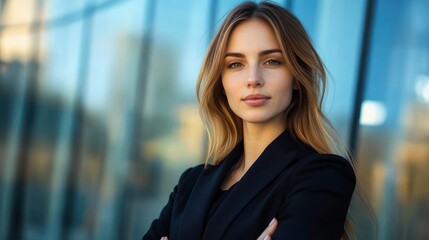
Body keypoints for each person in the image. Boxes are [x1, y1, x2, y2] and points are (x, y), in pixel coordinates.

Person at [143, 1, 356, 239]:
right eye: (236, 64)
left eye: (272, 61)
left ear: (297, 76)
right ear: (221, 83)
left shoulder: (322, 176)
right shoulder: (190, 184)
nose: (253, 79)